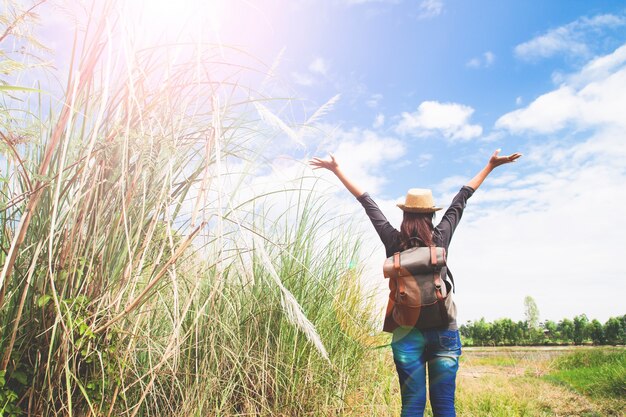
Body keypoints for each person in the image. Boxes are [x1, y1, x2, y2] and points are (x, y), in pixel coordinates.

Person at [309, 149, 522, 417]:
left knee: (411, 406)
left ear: (405, 215)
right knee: (445, 406)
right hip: (444, 329)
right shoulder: (440, 238)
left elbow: (367, 203)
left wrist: (336, 169)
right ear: (431, 216)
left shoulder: (393, 242)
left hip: (406, 333)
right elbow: (462, 198)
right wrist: (490, 166)